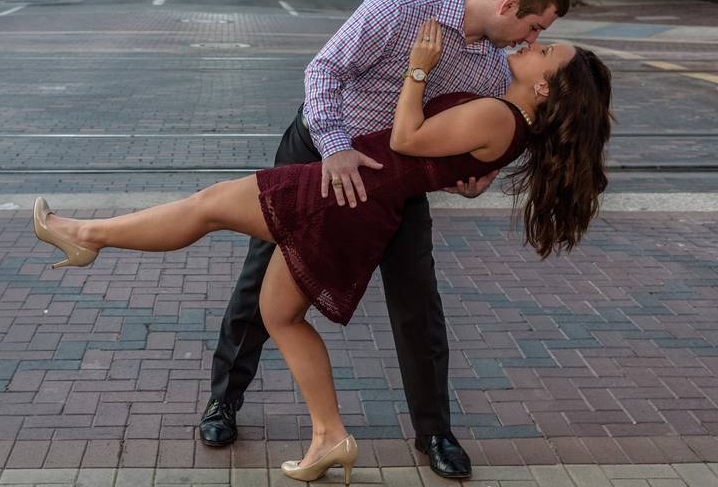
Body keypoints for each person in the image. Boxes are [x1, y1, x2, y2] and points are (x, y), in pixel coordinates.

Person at [33, 29, 613, 485]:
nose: (534, 44)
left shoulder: (498, 116)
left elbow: (408, 138)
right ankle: (329, 436)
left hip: (347, 195)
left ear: (545, 88)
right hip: (361, 198)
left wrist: (419, 66)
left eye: (547, 51)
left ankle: (87, 235)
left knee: (208, 208)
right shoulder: (512, 127)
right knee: (279, 313)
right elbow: (456, 161)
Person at [199, 0, 572, 480]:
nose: (532, 41)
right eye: (533, 27)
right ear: (509, 5)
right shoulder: (399, 8)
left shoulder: (496, 69)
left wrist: (471, 183)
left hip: (393, 183)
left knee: (418, 299)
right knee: (262, 278)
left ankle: (435, 432)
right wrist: (333, 147)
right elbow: (324, 69)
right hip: (320, 153)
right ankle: (224, 403)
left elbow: (466, 143)